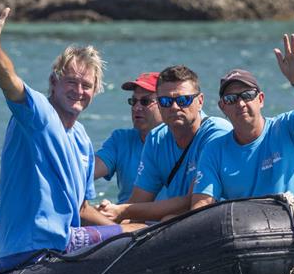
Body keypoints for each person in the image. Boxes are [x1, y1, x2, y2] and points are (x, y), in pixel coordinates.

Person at [0, 0, 143, 270]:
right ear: (53, 82)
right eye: (71, 82)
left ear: (95, 90)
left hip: (65, 242)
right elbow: (9, 81)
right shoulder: (38, 115)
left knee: (140, 231)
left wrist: (117, 226)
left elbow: (81, 209)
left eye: (86, 85)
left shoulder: (82, 139)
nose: (78, 91)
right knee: (140, 231)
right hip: (32, 246)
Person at [191, 34, 294, 208]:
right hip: (250, 231)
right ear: (222, 107)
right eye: (231, 99)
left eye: (247, 95)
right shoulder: (214, 150)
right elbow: (202, 203)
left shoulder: (287, 128)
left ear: (261, 99)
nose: (240, 103)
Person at [98, 65, 232, 223]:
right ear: (160, 105)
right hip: (174, 223)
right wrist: (109, 215)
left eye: (183, 100)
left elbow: (194, 201)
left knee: (167, 219)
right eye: (166, 101)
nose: (175, 107)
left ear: (200, 101)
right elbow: (137, 203)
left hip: (218, 223)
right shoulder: (156, 138)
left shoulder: (217, 133)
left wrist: (122, 210)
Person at [94, 72, 163, 204]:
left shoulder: (178, 143)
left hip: (164, 221)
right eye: (133, 101)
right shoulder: (121, 139)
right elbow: (90, 171)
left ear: (165, 104)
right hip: (123, 218)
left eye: (145, 101)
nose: (136, 108)